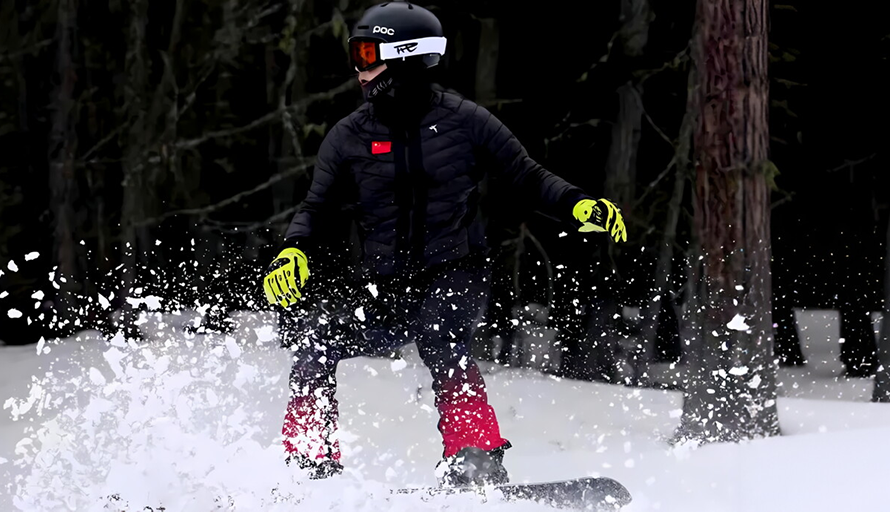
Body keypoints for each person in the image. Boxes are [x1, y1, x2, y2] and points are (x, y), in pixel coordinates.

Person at [260, 1, 627, 487]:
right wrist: (294, 249)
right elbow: (317, 207)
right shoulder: (348, 136)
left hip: (456, 269)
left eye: (367, 54)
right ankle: (311, 467)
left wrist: (577, 204)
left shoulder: (465, 120)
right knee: (315, 343)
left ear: (407, 55)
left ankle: (475, 460)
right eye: (356, 54)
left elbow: (527, 176)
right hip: (387, 283)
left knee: (441, 338)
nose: (359, 69)